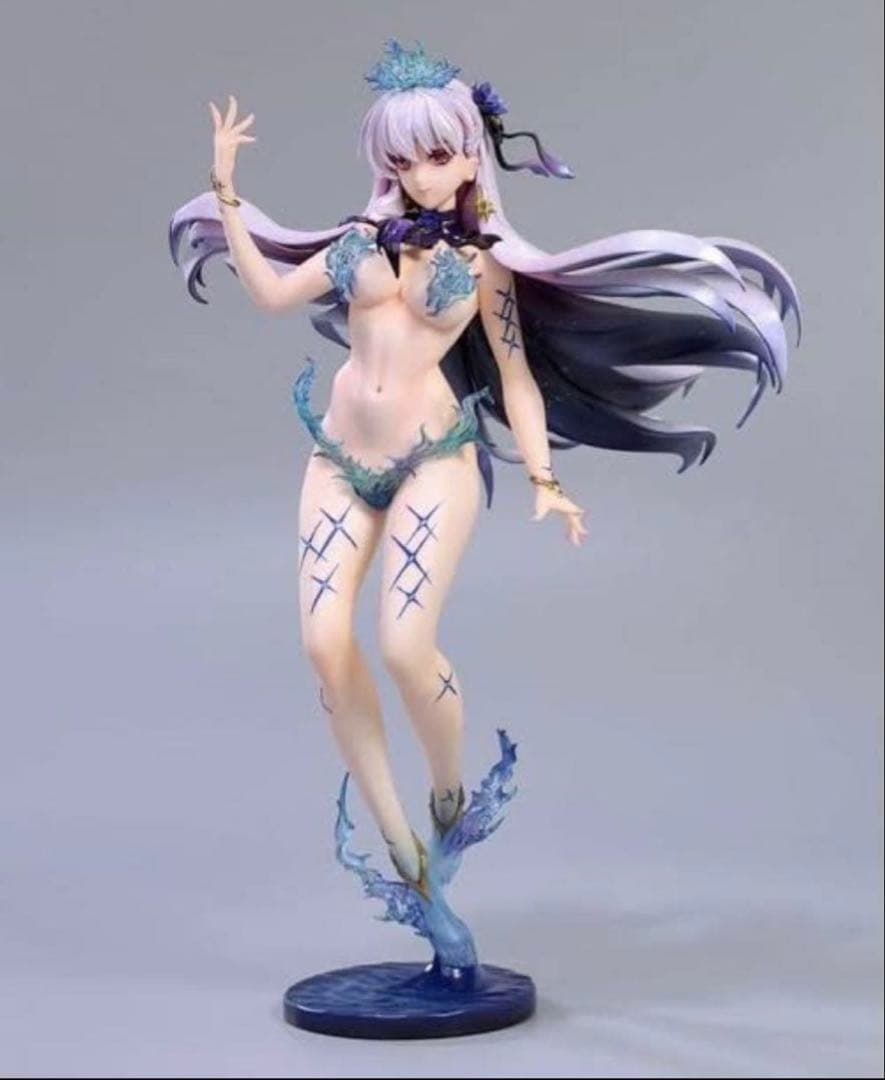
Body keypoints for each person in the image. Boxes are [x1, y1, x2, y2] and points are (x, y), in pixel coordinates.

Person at [168, 39, 800, 900]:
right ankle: (397, 837)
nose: (419, 176)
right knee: (322, 642)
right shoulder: (358, 242)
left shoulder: (483, 261)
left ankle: (445, 790)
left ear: (471, 154)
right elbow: (272, 296)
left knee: (403, 645)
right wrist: (226, 194)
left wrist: (544, 479)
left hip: (433, 460)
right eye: (401, 160)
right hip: (339, 457)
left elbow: (514, 375)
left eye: (436, 155)